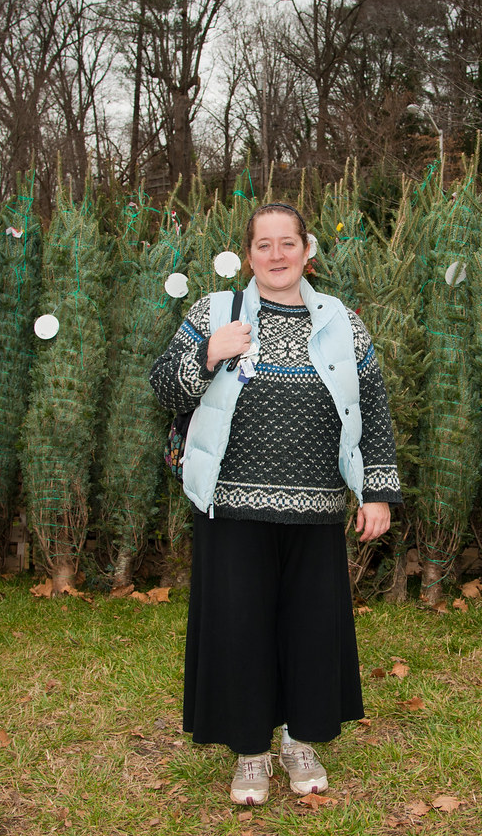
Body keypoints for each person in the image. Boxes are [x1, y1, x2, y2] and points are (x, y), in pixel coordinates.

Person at [149, 201, 401, 805]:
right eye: (265, 245)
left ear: (307, 251)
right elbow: (162, 384)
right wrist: (210, 352)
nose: (278, 255)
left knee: (309, 631)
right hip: (229, 506)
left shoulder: (341, 321)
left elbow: (372, 407)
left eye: (289, 243)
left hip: (315, 508)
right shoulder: (216, 310)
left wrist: (379, 491)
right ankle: (251, 754)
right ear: (249, 254)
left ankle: (300, 741)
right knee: (240, 629)